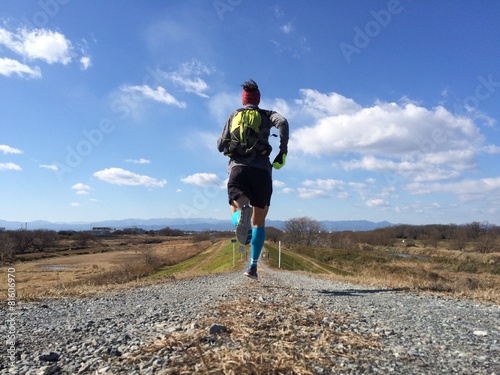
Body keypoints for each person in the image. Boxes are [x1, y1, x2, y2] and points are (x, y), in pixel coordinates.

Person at [217, 79, 289, 279]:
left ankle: (241, 215)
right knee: (259, 223)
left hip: (238, 168)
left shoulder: (235, 115)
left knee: (236, 205)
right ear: (258, 100)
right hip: (263, 172)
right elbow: (282, 122)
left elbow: (220, 145)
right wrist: (283, 151)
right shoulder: (267, 115)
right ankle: (253, 267)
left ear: (244, 100)